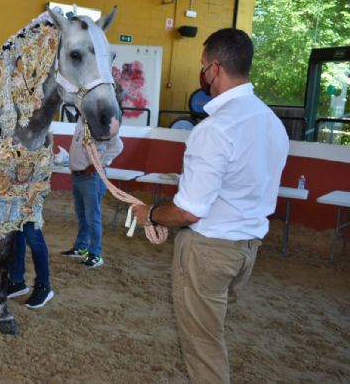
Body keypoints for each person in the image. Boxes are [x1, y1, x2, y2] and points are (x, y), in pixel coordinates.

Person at [132, 28, 289, 384]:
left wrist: (152, 214)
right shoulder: (271, 122)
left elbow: (188, 211)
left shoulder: (215, 129)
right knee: (212, 331)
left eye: (203, 66)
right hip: (246, 249)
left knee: (204, 349)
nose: (202, 74)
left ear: (215, 68)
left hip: (209, 250)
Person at [61, 116, 123, 268]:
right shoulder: (82, 120)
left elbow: (118, 145)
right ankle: (81, 247)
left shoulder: (100, 121)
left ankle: (95, 254)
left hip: (91, 177)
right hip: (79, 176)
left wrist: (96, 164)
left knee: (92, 216)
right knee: (83, 215)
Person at [7, 222, 54, 309]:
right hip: (13, 208)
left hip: (29, 209)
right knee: (15, 234)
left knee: (33, 236)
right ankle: (16, 282)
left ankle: (44, 286)